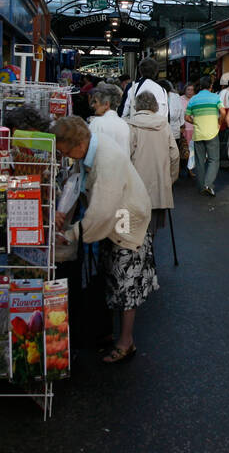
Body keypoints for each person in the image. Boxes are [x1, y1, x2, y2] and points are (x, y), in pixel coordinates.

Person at [51, 116, 156, 364]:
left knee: (126, 284)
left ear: (78, 144)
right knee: (112, 276)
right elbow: (80, 187)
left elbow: (102, 211)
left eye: (67, 152)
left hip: (127, 223)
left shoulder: (106, 158)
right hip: (117, 220)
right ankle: (110, 333)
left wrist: (72, 233)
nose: (68, 157)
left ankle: (126, 342)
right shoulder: (90, 150)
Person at [126, 92, 179, 231]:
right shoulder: (164, 124)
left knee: (136, 229)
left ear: (137, 105)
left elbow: (126, 155)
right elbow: (175, 154)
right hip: (159, 184)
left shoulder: (131, 125)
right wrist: (170, 179)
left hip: (137, 185)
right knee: (153, 227)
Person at [185, 76, 223, 195]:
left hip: (198, 134)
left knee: (200, 161)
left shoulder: (193, 99)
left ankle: (202, 187)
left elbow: (186, 117)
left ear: (200, 86)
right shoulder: (216, 97)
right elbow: (223, 112)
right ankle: (208, 183)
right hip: (212, 133)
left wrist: (195, 122)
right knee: (214, 160)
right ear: (211, 86)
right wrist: (219, 123)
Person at [87, 82, 130, 155]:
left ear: (107, 104)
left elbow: (90, 155)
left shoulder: (97, 123)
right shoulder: (124, 124)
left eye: (96, 102)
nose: (93, 105)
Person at [180, 82, 197, 178]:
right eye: (188, 89)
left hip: (193, 128)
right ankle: (179, 170)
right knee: (182, 150)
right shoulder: (180, 99)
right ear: (185, 90)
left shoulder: (195, 99)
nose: (190, 92)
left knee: (192, 151)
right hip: (184, 128)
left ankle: (190, 170)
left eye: (192, 90)